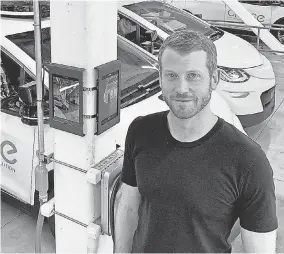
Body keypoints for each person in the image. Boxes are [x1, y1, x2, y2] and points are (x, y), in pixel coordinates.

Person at [114, 30, 278, 253]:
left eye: (193, 75)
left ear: (214, 79)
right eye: (171, 75)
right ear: (160, 77)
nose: (181, 89)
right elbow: (129, 206)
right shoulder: (140, 131)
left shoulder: (249, 161)